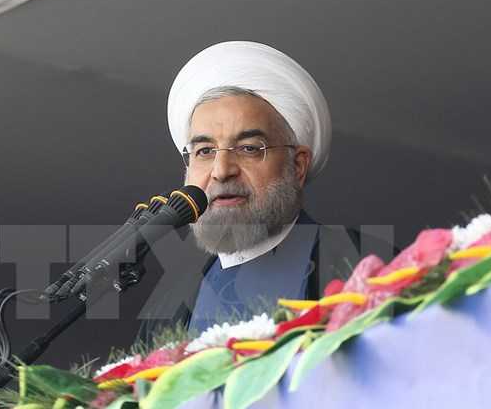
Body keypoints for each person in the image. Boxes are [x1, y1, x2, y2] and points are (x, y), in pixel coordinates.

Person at [139, 41, 394, 336]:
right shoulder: (172, 303)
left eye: (249, 148)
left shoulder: (363, 264)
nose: (221, 170)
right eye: (205, 151)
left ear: (297, 165)